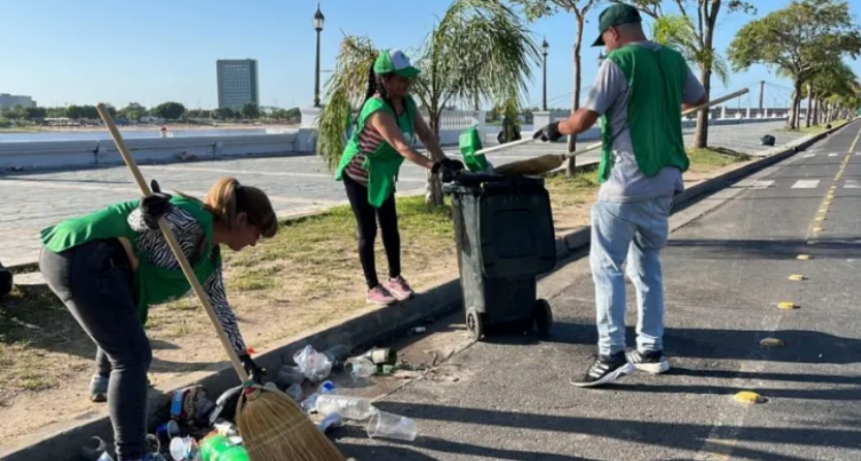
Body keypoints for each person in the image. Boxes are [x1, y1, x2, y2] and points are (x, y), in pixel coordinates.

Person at [38, 177, 276, 461]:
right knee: (133, 357)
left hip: (95, 262)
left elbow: (219, 307)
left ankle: (103, 381)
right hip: (83, 254)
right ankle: (134, 455)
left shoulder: (209, 257)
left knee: (126, 334)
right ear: (241, 219)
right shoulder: (191, 219)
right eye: (257, 235)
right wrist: (149, 213)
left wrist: (242, 356)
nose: (254, 244)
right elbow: (141, 221)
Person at [532, 3, 707, 388]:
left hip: (626, 183)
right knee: (647, 267)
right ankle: (650, 350)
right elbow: (698, 98)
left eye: (605, 41)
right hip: (665, 181)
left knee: (606, 268)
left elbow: (584, 119)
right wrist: (659, 112)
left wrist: (555, 129)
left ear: (613, 33)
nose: (605, 48)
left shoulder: (619, 62)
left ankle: (610, 354)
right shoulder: (674, 59)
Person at [335, 48, 463, 305]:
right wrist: (435, 168)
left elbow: (426, 136)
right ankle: (372, 286)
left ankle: (395, 278)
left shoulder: (407, 103)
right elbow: (402, 147)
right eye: (401, 78)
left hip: (382, 172)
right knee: (368, 230)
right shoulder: (377, 109)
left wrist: (444, 160)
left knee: (390, 227)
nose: (407, 83)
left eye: (408, 78)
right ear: (385, 79)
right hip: (358, 173)